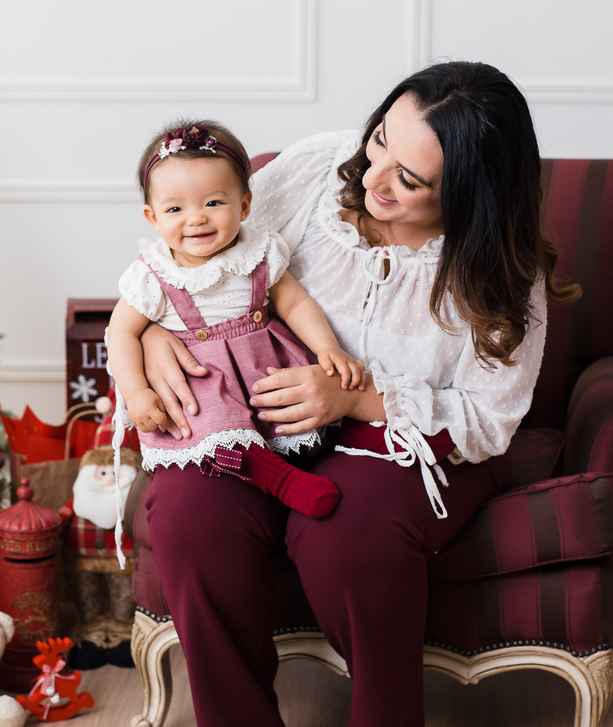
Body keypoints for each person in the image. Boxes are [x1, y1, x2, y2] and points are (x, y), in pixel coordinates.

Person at [136, 62, 579, 727]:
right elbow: (194, 256)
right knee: (190, 516)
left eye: (410, 179)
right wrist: (149, 336)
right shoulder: (317, 171)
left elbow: (490, 418)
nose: (373, 178)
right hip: (263, 423)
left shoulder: (499, 271)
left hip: (410, 441)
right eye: (380, 142)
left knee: (345, 530)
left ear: (469, 190)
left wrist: (351, 399)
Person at [107, 120, 364, 520]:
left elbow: (295, 304)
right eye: (175, 209)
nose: (196, 219)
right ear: (152, 217)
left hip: (261, 366)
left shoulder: (260, 251)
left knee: (293, 418)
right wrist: (137, 391)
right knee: (209, 420)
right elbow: (121, 332)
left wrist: (326, 346)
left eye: (213, 203)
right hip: (202, 379)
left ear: (244, 205)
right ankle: (273, 477)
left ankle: (291, 464)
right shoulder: (153, 274)